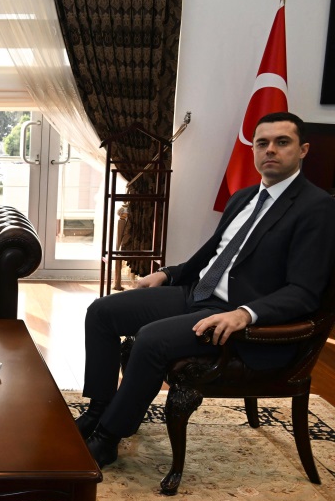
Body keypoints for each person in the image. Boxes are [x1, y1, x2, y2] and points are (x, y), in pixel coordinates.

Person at [77, 112, 335, 468]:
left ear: (303, 150)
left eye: (282, 142)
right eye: (262, 143)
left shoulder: (317, 208)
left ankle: (107, 438)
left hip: (236, 316)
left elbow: (304, 292)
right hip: (198, 295)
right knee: (102, 312)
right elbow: (215, 255)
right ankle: (98, 411)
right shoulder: (243, 197)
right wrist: (168, 274)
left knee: (150, 339)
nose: (270, 150)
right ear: (253, 150)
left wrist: (245, 314)